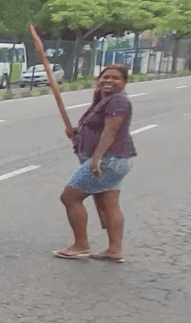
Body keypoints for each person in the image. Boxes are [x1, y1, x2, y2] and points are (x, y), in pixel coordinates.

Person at [56, 64, 135, 262]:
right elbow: (97, 127)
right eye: (105, 77)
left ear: (124, 82)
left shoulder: (117, 101)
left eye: (115, 78)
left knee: (70, 197)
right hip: (118, 159)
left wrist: (98, 157)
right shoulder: (106, 100)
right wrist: (76, 133)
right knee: (109, 204)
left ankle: (81, 244)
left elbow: (111, 131)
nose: (108, 81)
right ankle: (114, 250)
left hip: (109, 160)